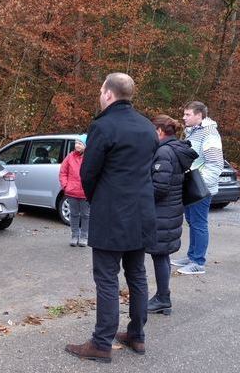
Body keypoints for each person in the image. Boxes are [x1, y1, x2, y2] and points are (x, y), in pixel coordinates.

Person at [65, 73, 158, 363]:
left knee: (106, 278)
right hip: (142, 212)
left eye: (100, 90)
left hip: (112, 213)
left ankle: (102, 342)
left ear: (108, 94)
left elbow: (88, 173)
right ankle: (137, 335)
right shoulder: (147, 127)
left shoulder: (102, 126)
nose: (99, 94)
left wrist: (98, 200)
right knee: (137, 274)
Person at [146, 115, 198, 315]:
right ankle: (163, 296)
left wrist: (139, 196)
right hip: (171, 211)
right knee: (163, 255)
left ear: (159, 131)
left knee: (160, 255)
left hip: (163, 212)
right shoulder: (175, 149)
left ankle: (162, 298)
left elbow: (159, 187)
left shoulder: (165, 152)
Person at [171, 102, 224, 275]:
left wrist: (200, 186)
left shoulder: (209, 134)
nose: (184, 118)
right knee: (193, 223)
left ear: (199, 115)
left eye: (188, 114)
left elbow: (215, 164)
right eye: (184, 114)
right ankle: (192, 256)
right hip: (191, 187)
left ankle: (198, 262)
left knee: (199, 224)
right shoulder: (194, 131)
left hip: (200, 190)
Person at [59, 134, 90, 247]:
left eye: (80, 143)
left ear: (86, 145)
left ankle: (84, 236)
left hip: (85, 193)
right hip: (71, 192)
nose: (77, 145)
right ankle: (74, 235)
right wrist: (65, 186)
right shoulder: (69, 157)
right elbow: (63, 172)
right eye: (76, 143)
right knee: (74, 215)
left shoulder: (89, 157)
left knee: (86, 215)